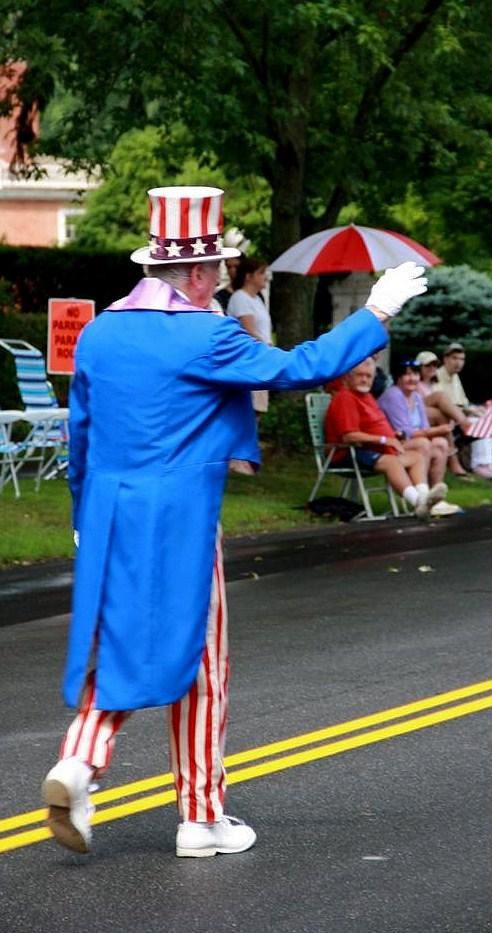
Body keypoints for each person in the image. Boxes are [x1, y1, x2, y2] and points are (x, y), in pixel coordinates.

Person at [40, 184, 429, 859]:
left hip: (107, 512)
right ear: (194, 273)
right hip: (179, 517)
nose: (221, 278)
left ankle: (81, 759)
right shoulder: (203, 333)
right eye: (217, 268)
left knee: (126, 641)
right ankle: (199, 815)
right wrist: (375, 311)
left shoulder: (101, 332)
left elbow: (81, 432)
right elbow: (298, 368)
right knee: (203, 660)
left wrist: (81, 517)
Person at [324, 357, 448, 519]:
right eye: (360, 375)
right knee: (392, 462)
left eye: (368, 376)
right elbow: (349, 436)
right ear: (348, 377)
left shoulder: (365, 396)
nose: (364, 380)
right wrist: (383, 440)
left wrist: (393, 436)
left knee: (416, 457)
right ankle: (418, 502)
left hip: (373, 449)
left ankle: (426, 500)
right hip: (349, 452)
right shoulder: (345, 397)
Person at [378, 359, 462, 516]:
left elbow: (424, 427)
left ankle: (436, 496)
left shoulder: (416, 396)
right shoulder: (394, 395)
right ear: (398, 378)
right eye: (407, 375)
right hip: (396, 443)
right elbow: (406, 432)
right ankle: (424, 497)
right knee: (424, 443)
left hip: (414, 441)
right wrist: (439, 429)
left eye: (415, 374)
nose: (412, 379)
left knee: (441, 443)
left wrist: (437, 432)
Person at [436, 343, 492, 479]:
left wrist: (473, 408)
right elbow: (446, 405)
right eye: (454, 358)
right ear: (446, 359)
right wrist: (469, 411)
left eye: (461, 359)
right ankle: (479, 464)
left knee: (487, 417)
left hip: (459, 416)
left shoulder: (455, 377)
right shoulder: (438, 376)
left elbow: (462, 402)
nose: (458, 363)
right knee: (478, 422)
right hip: (448, 420)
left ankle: (487, 462)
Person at [227, 256, 272, 416]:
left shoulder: (257, 300)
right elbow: (248, 331)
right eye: (260, 273)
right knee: (250, 412)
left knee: (258, 412)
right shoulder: (240, 298)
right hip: (250, 363)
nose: (265, 277)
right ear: (248, 276)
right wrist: (269, 349)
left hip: (261, 360)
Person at [415, 350, 471, 477]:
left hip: (436, 419)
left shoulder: (434, 384)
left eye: (434, 365)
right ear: (419, 367)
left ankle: (453, 460)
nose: (432, 368)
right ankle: (464, 423)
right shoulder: (416, 383)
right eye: (428, 365)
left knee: (441, 412)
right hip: (417, 417)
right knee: (440, 397)